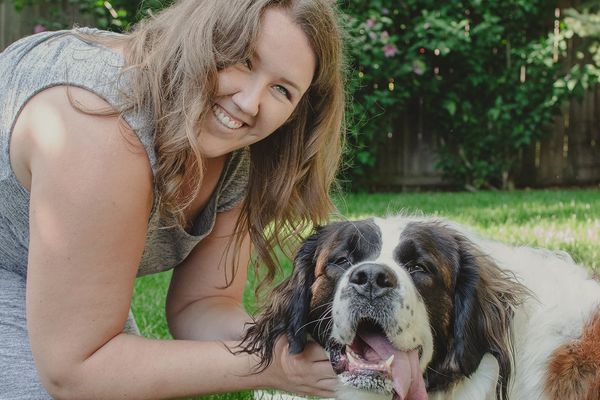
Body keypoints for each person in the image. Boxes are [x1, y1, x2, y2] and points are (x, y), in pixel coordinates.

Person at [0, 0, 346, 398]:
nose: (249, 103)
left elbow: (203, 303)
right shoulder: (99, 127)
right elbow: (76, 371)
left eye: (282, 90)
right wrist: (269, 365)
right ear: (201, 39)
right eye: (242, 61)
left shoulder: (244, 150)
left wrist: (291, 345)